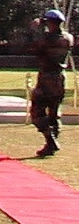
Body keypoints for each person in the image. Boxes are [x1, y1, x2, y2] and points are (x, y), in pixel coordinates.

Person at [29, 8, 74, 157]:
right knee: (54, 113)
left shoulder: (47, 39)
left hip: (47, 77)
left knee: (37, 111)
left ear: (50, 22)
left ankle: (51, 141)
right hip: (60, 77)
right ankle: (50, 145)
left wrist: (36, 29)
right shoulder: (68, 38)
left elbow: (34, 47)